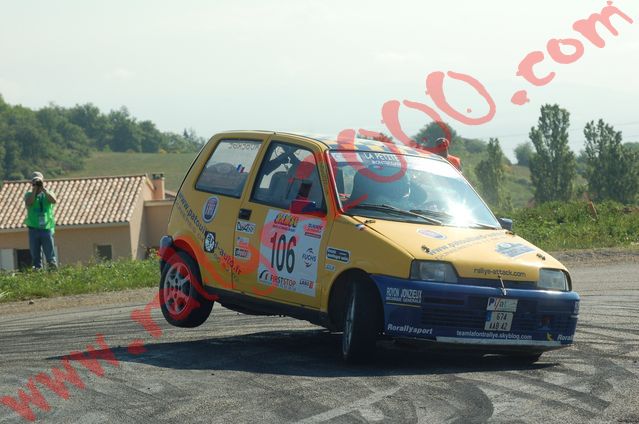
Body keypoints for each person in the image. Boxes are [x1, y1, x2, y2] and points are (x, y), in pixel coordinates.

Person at [24, 172, 58, 269]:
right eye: (35, 181)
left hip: (46, 228)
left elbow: (53, 200)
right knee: (35, 256)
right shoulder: (29, 194)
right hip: (33, 229)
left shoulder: (48, 193)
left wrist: (43, 189)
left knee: (50, 255)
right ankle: (37, 273)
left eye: (39, 181)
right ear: (31, 183)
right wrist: (35, 191)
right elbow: (28, 203)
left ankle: (53, 271)